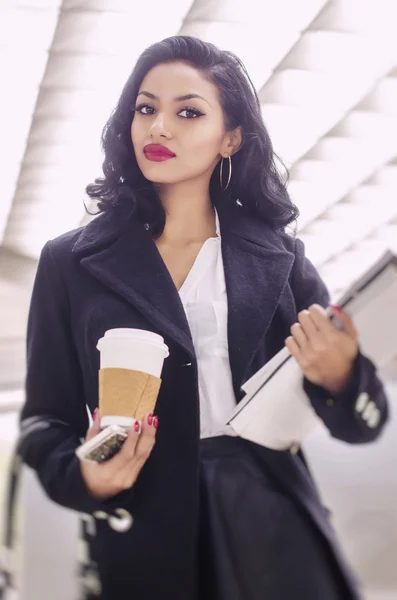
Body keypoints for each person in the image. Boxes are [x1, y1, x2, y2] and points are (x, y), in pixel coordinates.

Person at [19, 35, 389, 600]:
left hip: (272, 517)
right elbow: (44, 421)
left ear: (231, 137)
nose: (158, 128)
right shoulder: (69, 263)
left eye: (188, 112)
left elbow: (362, 423)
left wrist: (340, 374)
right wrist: (84, 475)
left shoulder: (281, 257)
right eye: (146, 108)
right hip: (145, 525)